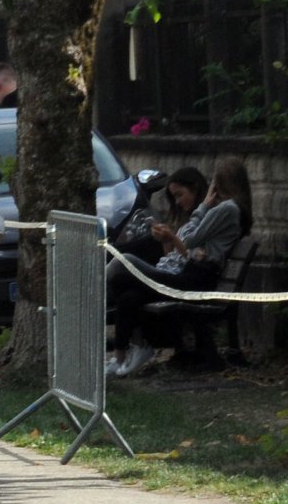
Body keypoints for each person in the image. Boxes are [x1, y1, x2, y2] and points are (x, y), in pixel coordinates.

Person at [107, 160, 250, 377]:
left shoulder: (227, 209)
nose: (213, 188)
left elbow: (191, 239)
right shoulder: (228, 209)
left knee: (124, 263)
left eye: (215, 183)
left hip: (196, 278)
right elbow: (190, 246)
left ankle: (93, 295)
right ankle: (126, 354)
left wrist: (202, 207)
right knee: (129, 295)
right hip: (191, 273)